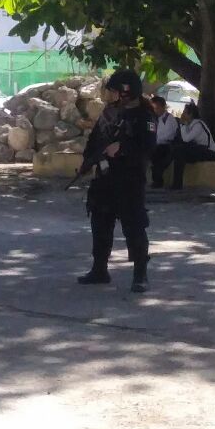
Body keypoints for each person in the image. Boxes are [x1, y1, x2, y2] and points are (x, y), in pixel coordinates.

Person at [76, 70, 156, 293]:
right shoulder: (110, 112)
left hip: (129, 180)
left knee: (134, 226)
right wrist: (87, 162)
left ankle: (140, 274)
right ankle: (99, 269)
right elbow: (95, 140)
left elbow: (148, 146)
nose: (110, 95)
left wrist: (123, 148)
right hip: (104, 179)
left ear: (126, 92)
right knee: (100, 222)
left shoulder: (144, 115)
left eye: (114, 91)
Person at [170, 101, 215, 189]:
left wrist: (182, 124)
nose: (183, 114)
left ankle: (177, 184)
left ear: (191, 114)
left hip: (208, 151)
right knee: (177, 151)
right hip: (198, 149)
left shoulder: (198, 125)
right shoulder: (189, 125)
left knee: (179, 151)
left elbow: (186, 139)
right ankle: (176, 183)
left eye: (185, 112)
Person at [149, 94, 179, 188]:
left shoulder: (169, 119)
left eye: (156, 108)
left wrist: (155, 141)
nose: (155, 110)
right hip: (156, 144)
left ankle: (157, 180)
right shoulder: (153, 119)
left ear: (163, 107)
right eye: (153, 108)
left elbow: (169, 135)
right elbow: (150, 132)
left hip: (166, 146)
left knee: (157, 154)